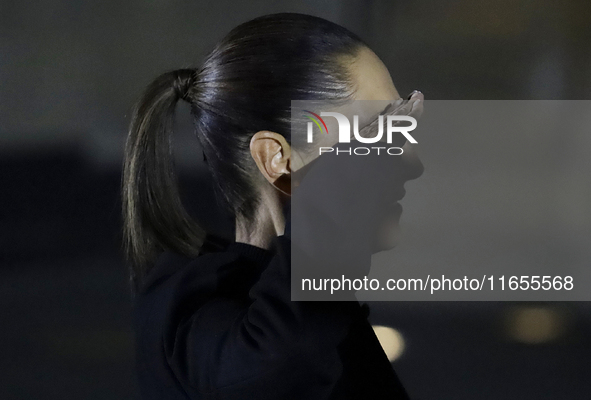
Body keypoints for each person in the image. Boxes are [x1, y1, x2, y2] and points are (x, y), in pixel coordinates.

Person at [122, 13, 423, 400]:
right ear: (276, 159)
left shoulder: (321, 306)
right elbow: (274, 373)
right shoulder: (193, 313)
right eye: (378, 133)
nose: (410, 163)